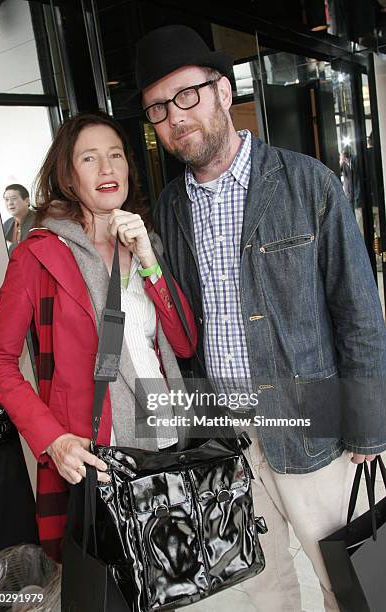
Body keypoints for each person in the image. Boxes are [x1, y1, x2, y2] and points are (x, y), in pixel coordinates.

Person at [135, 25, 386, 611]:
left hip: (312, 423)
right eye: (157, 108)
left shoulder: (306, 184)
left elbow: (359, 314)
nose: (175, 117)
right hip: (224, 434)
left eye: (187, 95)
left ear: (223, 90)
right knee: (259, 587)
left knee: (343, 579)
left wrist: (370, 426)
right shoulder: (170, 208)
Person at [0, 112, 197, 562]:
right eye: (90, 158)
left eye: (116, 155)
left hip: (163, 440)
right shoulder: (37, 255)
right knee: (108, 585)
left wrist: (147, 259)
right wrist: (51, 438)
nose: (106, 169)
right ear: (67, 175)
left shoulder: (146, 243)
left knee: (167, 579)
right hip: (94, 454)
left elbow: (183, 344)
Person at [2, 184, 35, 253]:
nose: (10, 203)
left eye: (14, 198)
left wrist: (9, 246)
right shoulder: (7, 223)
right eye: (6, 200)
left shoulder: (38, 220)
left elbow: (30, 249)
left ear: (26, 201)